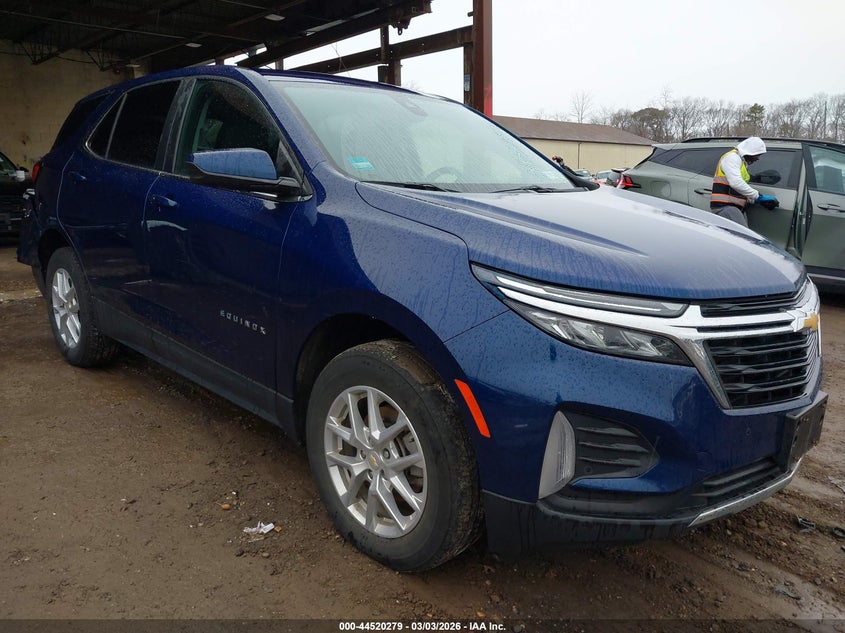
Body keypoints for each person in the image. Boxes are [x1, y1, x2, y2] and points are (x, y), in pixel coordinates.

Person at [710, 137, 779, 227]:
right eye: (758, 154)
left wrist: (756, 200)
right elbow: (736, 183)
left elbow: (739, 190)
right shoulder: (732, 157)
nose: (758, 158)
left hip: (734, 207)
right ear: (751, 151)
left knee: (744, 234)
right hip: (724, 207)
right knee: (741, 235)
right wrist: (757, 196)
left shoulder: (741, 162)